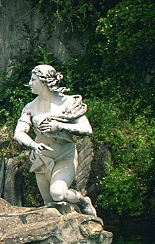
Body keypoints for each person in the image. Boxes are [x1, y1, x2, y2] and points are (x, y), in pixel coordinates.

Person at [13, 64, 96, 215]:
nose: (30, 83)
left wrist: (59, 126)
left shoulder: (67, 102)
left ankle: (83, 201)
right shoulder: (30, 107)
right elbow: (19, 133)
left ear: (44, 82)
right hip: (42, 158)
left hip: (64, 155)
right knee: (50, 204)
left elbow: (86, 129)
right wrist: (32, 144)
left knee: (58, 194)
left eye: (33, 80)